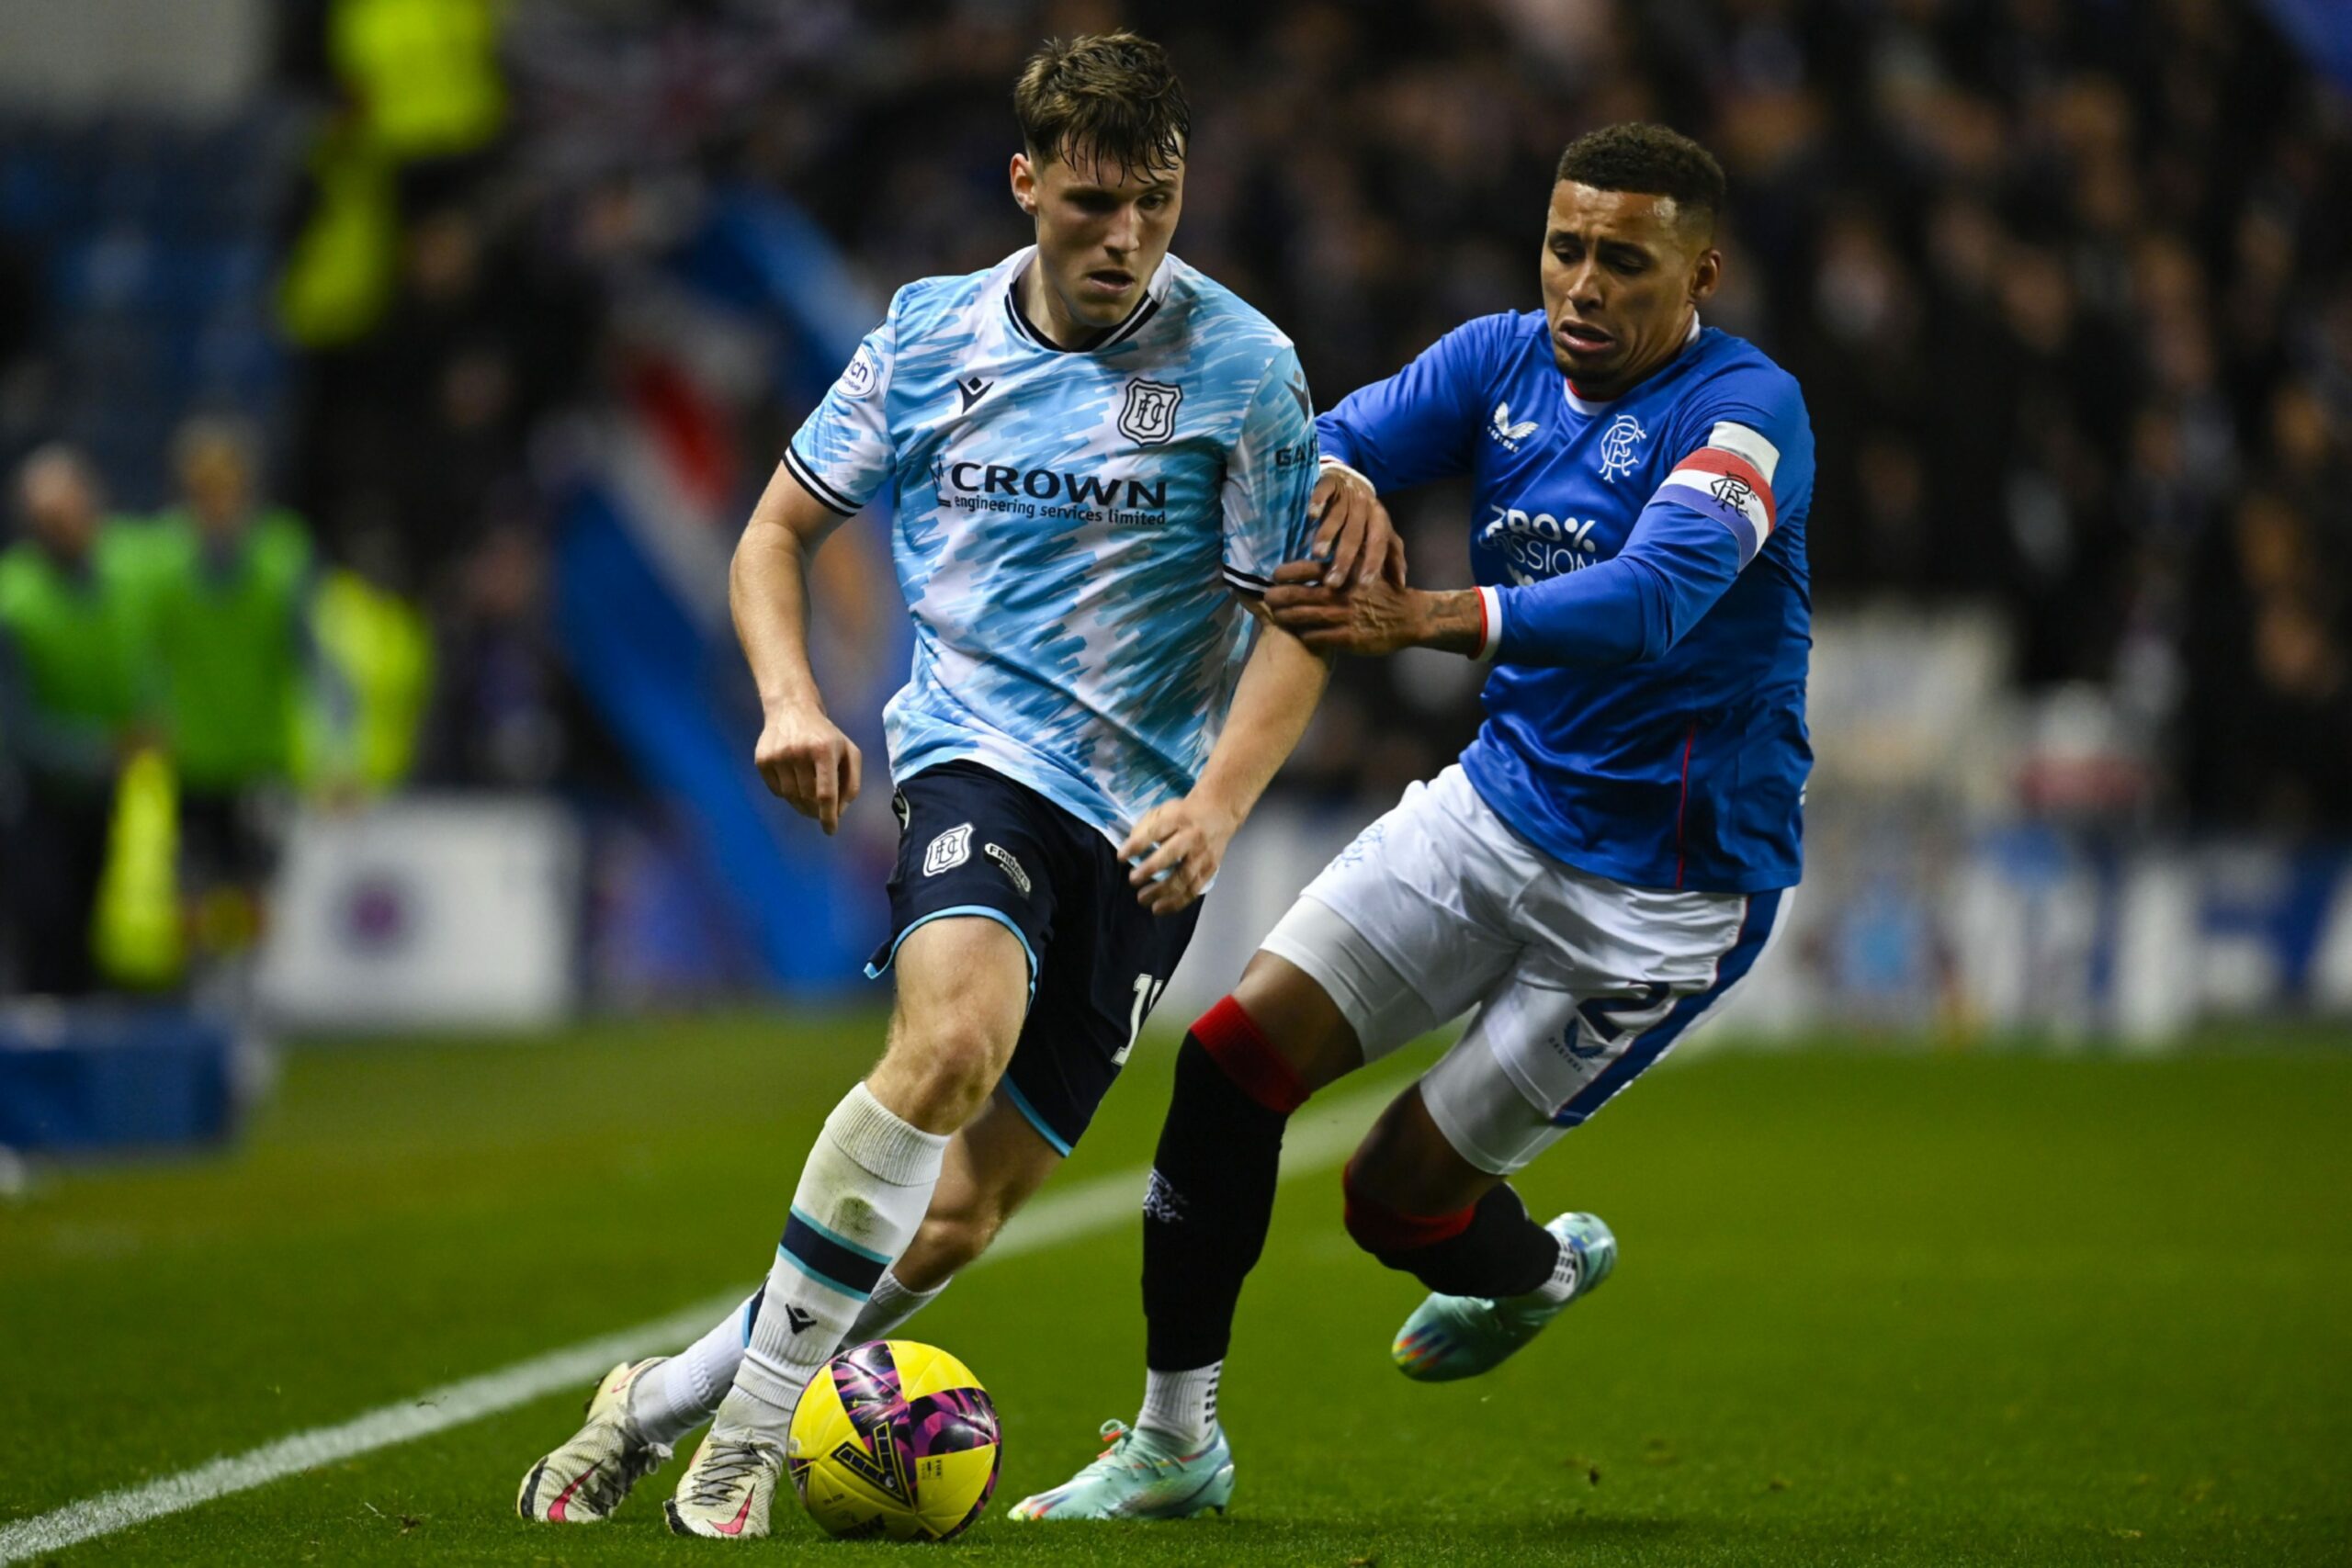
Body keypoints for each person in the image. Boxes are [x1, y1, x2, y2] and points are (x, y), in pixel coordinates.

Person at [513, 32, 1395, 1539]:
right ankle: (743, 1436)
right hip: (975, 760)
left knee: (963, 1211)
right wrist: (791, 700)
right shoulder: (930, 335)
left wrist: (1221, 806)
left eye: (1158, 206)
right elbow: (770, 535)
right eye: (1095, 203)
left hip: (1147, 828)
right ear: (1027, 181)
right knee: (951, 1043)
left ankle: (654, 1400)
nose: (1126, 239)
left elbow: (1298, 627)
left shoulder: (1241, 367)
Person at [1009, 122, 1815, 1522]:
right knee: (1226, 1065)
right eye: (1566, 246)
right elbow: (1311, 439)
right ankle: (1173, 1443)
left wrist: (1422, 614)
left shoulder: (1747, 413)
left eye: (1625, 260)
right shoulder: (1496, 361)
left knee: (1393, 1205)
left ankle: (1542, 1269)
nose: (1582, 284)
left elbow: (1651, 601)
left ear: (1702, 272)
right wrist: (1344, 476)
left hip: (1663, 895)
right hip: (1495, 810)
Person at [143, 416, 335, 958]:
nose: (216, 501)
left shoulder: (282, 555)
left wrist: (335, 748)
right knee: (190, 891)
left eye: (226, 485)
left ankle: (255, 999)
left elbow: (315, 659)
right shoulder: (160, 560)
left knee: (259, 888)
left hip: (260, 754)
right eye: (204, 487)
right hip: (192, 755)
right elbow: (142, 653)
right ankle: (193, 995)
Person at [0, 446, 151, 994]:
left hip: (121, 801)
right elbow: (14, 729)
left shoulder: (128, 578)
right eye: (47, 519)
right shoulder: (12, 601)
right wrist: (97, 752)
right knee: (47, 945)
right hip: (36, 806)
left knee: (115, 952)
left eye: (71, 511)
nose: (63, 527)